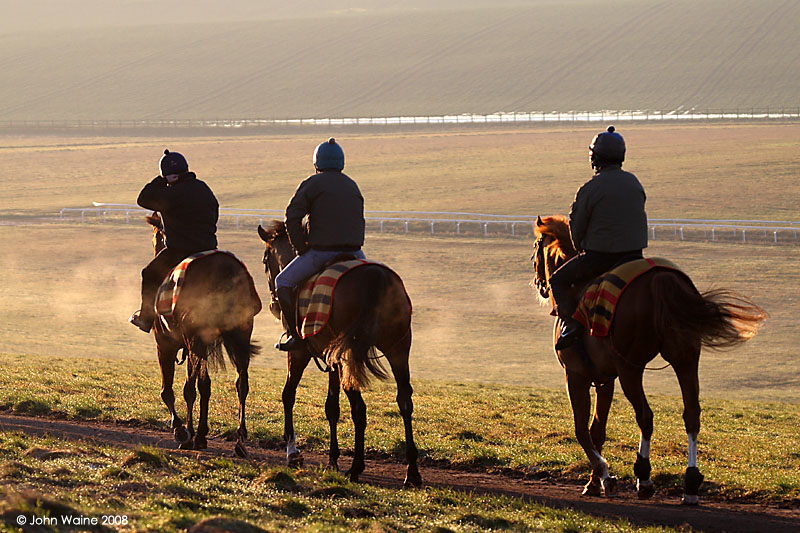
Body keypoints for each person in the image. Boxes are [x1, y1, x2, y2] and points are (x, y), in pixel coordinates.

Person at [550, 126, 648, 350]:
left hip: (601, 258)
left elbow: (577, 226)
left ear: (594, 157)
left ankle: (571, 327)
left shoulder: (590, 188)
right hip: (635, 257)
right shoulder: (634, 183)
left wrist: (581, 249)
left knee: (557, 280)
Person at [274, 138, 366, 351]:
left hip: (322, 253)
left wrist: (300, 248)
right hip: (355, 252)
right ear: (341, 162)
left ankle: (295, 335)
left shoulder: (312, 184)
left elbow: (292, 216)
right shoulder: (352, 184)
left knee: (282, 281)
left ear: (317, 163)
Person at [129, 149, 219, 333]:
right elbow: (215, 211)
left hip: (180, 251)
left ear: (169, 176)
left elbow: (143, 199)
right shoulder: (203, 187)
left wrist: (162, 180)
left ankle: (146, 318)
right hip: (209, 249)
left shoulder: (170, 195)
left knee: (149, 273)